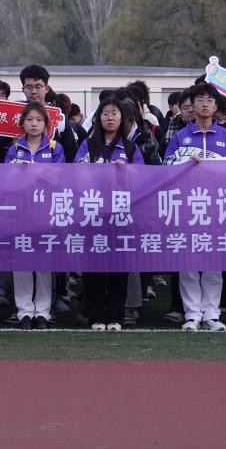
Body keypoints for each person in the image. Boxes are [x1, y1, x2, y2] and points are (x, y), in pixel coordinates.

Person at [163, 83, 226, 332]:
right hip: (187, 207)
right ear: (192, 105)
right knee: (187, 262)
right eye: (199, 100)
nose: (205, 104)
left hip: (218, 207)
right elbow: (166, 167)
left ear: (216, 105)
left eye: (209, 100)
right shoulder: (180, 137)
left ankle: (211, 313)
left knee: (213, 263)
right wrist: (184, 164)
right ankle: (192, 314)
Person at [74, 98, 143, 331]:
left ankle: (115, 316)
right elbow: (75, 173)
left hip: (121, 215)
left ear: (122, 118)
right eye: (105, 113)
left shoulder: (130, 148)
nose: (110, 118)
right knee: (93, 267)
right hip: (92, 214)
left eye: (114, 113)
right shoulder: (88, 145)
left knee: (119, 267)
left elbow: (143, 178)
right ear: (98, 118)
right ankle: (94, 316)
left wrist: (127, 171)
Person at [5, 102, 65, 329]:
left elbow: (61, 177)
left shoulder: (55, 148)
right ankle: (24, 311)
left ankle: (43, 311)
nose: (34, 124)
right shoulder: (14, 148)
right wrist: (17, 171)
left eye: (39, 120)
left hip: (45, 212)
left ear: (46, 124)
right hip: (20, 211)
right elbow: (4, 179)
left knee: (43, 263)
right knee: (21, 261)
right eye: (29, 119)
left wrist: (39, 173)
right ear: (22, 123)